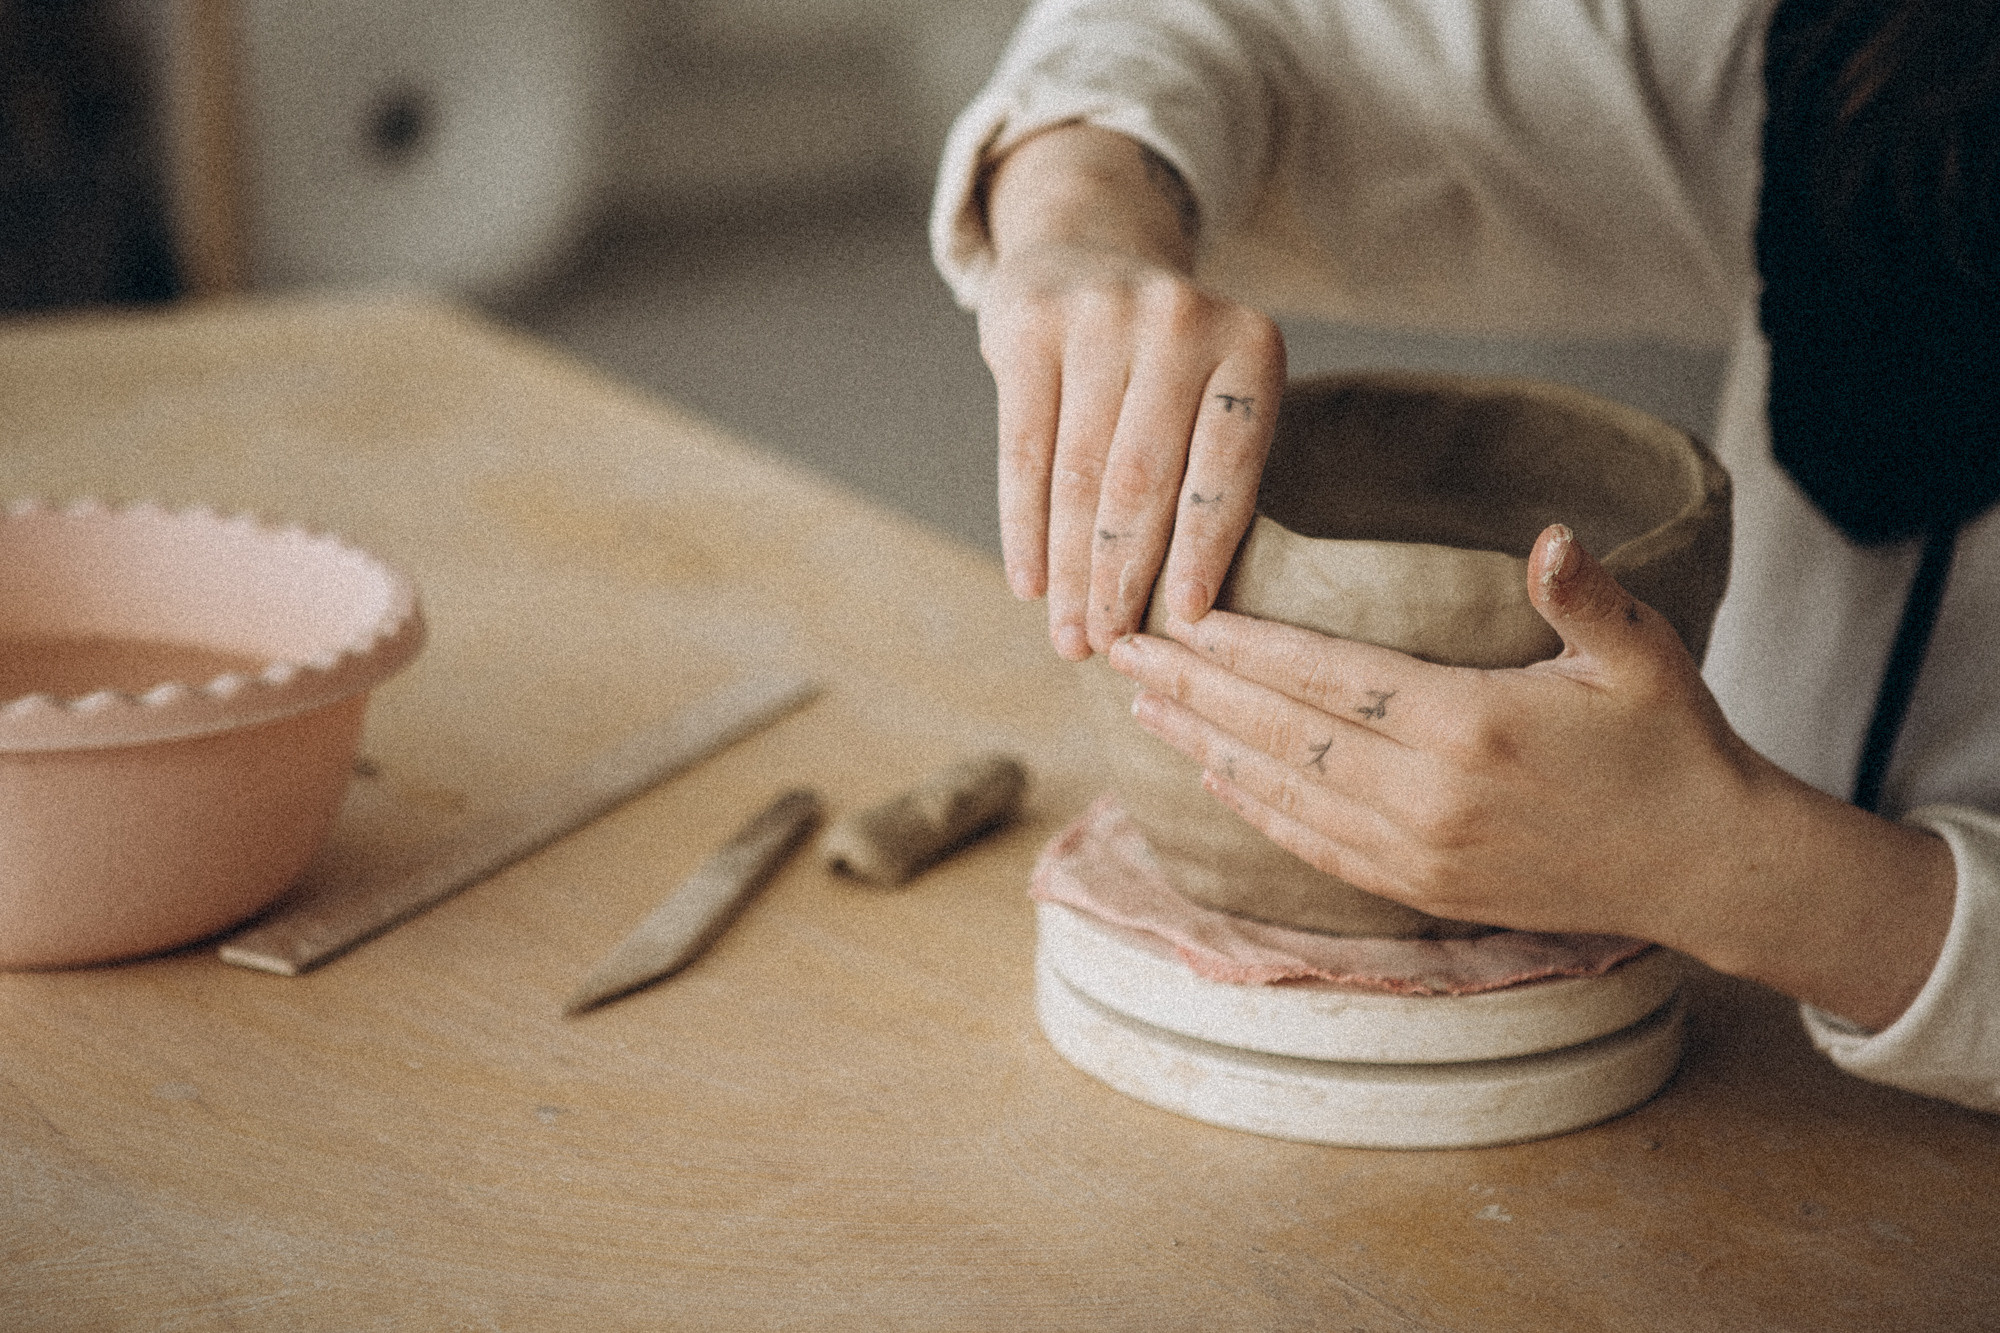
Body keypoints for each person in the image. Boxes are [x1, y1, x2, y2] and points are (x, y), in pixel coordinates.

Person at [930, 0, 2000, 1110]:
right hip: (1721, 1027)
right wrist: (1078, 221)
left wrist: (1732, 873)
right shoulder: (1899, 55)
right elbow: (1243, 28)